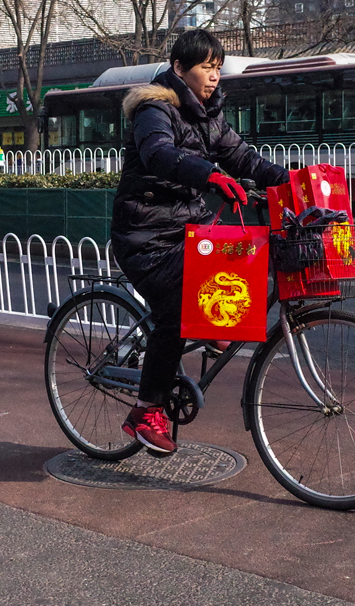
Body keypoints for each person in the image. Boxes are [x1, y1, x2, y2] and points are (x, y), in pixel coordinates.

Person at [109, 29, 289, 455]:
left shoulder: (208, 115)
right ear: (178, 69)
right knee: (177, 311)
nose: (214, 77)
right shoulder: (155, 108)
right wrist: (207, 175)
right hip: (145, 236)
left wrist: (293, 180)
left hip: (191, 227)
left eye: (217, 68)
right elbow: (158, 154)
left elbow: (243, 157)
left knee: (235, 261)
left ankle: (211, 325)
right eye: (206, 68)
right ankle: (145, 409)